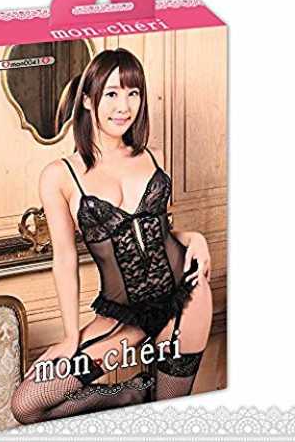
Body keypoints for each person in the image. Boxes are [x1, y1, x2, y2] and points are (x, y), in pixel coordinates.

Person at [11, 48, 213, 425]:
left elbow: (158, 231)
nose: (124, 106)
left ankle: (146, 398)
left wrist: (195, 237)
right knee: (28, 403)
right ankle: (130, 394)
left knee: (166, 420)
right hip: (123, 317)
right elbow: (65, 259)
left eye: (133, 93)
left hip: (185, 298)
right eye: (112, 93)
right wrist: (71, 336)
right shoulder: (60, 175)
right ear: (88, 99)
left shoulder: (153, 157)